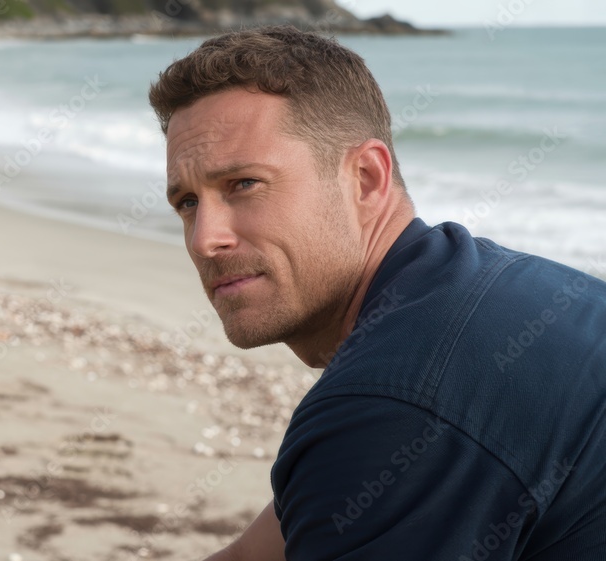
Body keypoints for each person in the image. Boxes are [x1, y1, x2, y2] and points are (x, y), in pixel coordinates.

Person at [148, 25, 606, 560]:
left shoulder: (395, 403)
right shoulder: (487, 287)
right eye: (187, 202)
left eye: (244, 184)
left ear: (366, 178)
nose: (205, 239)